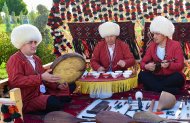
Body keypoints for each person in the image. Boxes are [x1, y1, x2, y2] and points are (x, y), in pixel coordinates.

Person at [6, 24, 71, 114]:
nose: (34, 45)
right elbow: (15, 81)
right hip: (27, 99)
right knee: (55, 103)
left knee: (69, 86)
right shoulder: (14, 59)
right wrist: (40, 77)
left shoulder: (36, 58)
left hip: (41, 93)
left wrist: (57, 85)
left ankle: (48, 106)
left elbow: (45, 77)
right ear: (21, 43)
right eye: (30, 42)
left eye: (35, 42)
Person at [138, 16, 185, 94]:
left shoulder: (175, 45)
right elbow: (142, 63)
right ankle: (170, 90)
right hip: (156, 77)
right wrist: (146, 66)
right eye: (153, 34)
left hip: (171, 77)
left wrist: (169, 65)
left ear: (164, 34)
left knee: (178, 77)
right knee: (142, 75)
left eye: (157, 34)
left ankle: (154, 88)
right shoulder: (151, 46)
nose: (154, 37)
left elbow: (180, 65)